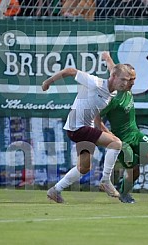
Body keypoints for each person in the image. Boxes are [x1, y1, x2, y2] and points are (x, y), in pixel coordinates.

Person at [43, 63, 134, 203]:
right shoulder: (96, 83)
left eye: (127, 80)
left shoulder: (113, 93)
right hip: (77, 127)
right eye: (123, 79)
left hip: (83, 129)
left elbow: (96, 117)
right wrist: (48, 82)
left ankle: (55, 190)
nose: (126, 83)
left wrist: (107, 133)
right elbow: (70, 71)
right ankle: (105, 181)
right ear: (114, 77)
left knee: (84, 167)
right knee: (116, 144)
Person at [96, 52, 148, 204]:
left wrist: (108, 58)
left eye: (134, 78)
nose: (133, 82)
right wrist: (110, 137)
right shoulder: (111, 98)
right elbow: (96, 117)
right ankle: (124, 194)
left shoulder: (125, 86)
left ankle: (132, 161)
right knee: (133, 170)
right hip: (122, 140)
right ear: (122, 80)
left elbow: (114, 69)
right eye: (131, 79)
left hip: (135, 133)